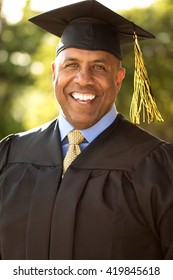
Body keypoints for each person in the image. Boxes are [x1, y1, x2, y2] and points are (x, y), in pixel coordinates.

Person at [0, 0, 173, 260]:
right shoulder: (9, 156)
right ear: (54, 72)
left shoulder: (158, 166)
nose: (83, 79)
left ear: (118, 78)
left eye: (99, 67)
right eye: (71, 65)